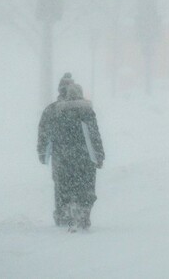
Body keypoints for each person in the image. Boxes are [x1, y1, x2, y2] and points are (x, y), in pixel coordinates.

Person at [40, 82, 105, 231]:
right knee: (86, 187)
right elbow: (94, 135)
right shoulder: (86, 111)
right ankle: (83, 214)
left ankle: (68, 215)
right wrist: (99, 155)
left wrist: (45, 154)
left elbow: (48, 134)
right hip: (85, 158)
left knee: (64, 188)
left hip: (63, 158)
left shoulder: (57, 112)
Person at [37, 73, 74, 226]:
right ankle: (77, 210)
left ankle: (62, 213)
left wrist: (42, 152)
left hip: (59, 154)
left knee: (60, 184)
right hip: (78, 154)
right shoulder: (81, 109)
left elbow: (43, 132)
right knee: (77, 182)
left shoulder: (51, 109)